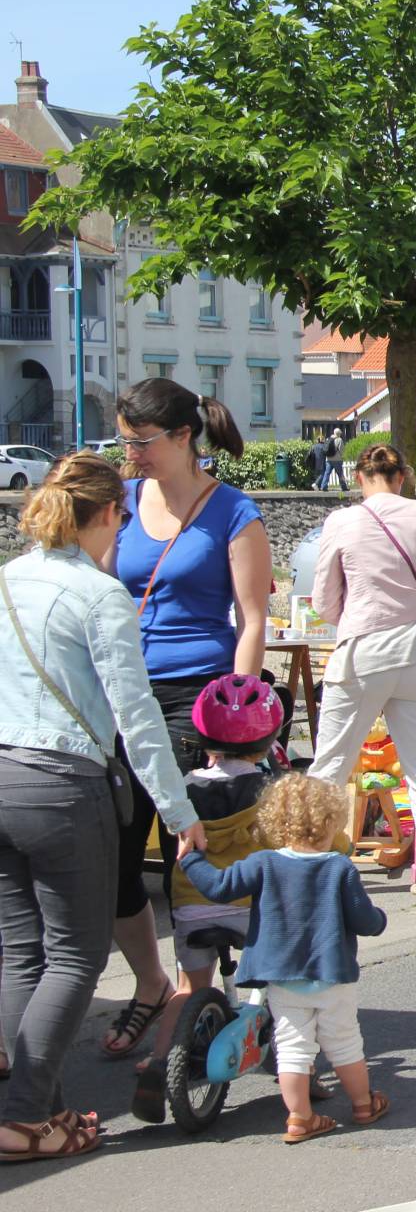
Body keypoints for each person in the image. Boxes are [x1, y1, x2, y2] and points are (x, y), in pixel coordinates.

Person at [0, 452, 205, 1162]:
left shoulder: (6, 581)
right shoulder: (100, 593)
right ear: (109, 515)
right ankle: (24, 1116)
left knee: (21, 954)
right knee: (75, 957)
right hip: (61, 784)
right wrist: (180, 811)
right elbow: (137, 716)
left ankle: (41, 1112)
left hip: (0, 774)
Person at [103, 376, 268, 1061]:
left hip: (197, 695)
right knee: (114, 850)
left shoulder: (233, 511)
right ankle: (152, 985)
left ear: (182, 438)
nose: (132, 454)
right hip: (119, 691)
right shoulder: (122, 501)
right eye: (125, 441)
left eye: (142, 442)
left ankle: (195, 1001)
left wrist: (241, 710)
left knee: (186, 846)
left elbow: (252, 618)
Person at [180, 771, 390, 1143]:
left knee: (292, 1047)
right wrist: (378, 922)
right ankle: (362, 1104)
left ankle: (299, 1117)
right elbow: (364, 919)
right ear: (330, 823)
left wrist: (192, 860)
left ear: (276, 822)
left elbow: (218, 887)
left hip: (282, 978)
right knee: (343, 1042)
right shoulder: (338, 867)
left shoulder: (263, 862)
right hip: (331, 975)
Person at [307, 443, 416, 899]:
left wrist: (352, 616)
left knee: (331, 763)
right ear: (403, 476)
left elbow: (323, 598)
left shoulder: (343, 521)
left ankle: (310, 866)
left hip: (362, 648)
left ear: (360, 478)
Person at [131, 673, 287, 1122]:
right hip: (250, 906)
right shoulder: (271, 790)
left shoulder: (183, 789)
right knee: (280, 983)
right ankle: (299, 1064)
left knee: (188, 987)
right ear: (270, 741)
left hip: (192, 902)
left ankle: (160, 1064)